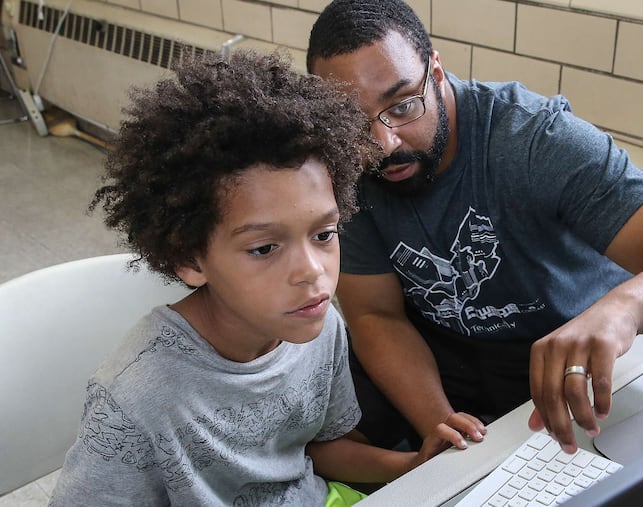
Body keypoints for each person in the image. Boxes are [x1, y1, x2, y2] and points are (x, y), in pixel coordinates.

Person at [306, 0, 643, 456]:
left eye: (403, 106)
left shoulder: (534, 140)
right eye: (353, 122)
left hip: (566, 357)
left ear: (436, 72)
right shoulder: (345, 160)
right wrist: (441, 429)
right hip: (441, 357)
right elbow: (377, 316)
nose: (383, 144)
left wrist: (622, 311)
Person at [48, 49, 469, 507]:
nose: (312, 271)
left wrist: (415, 468)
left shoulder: (318, 324)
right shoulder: (135, 398)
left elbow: (315, 450)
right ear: (188, 259)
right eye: (264, 248)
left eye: (324, 233)